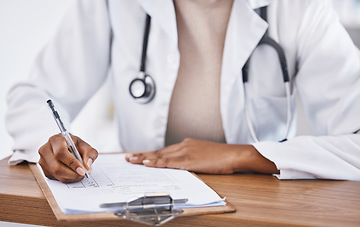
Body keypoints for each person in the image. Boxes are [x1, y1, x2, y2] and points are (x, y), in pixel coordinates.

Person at [6, 0, 360, 183]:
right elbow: (35, 92)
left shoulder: (300, 9)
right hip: (141, 209)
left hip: (256, 213)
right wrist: (52, 139)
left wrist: (242, 155)